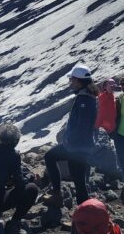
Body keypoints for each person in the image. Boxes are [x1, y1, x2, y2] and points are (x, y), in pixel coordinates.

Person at [42, 64, 99, 207]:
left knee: (79, 183)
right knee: (78, 180)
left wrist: (68, 141)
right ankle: (58, 196)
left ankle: (84, 217)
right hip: (78, 146)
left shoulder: (85, 101)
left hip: (78, 148)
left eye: (72, 79)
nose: (71, 82)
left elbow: (82, 127)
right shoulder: (85, 96)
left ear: (79, 81)